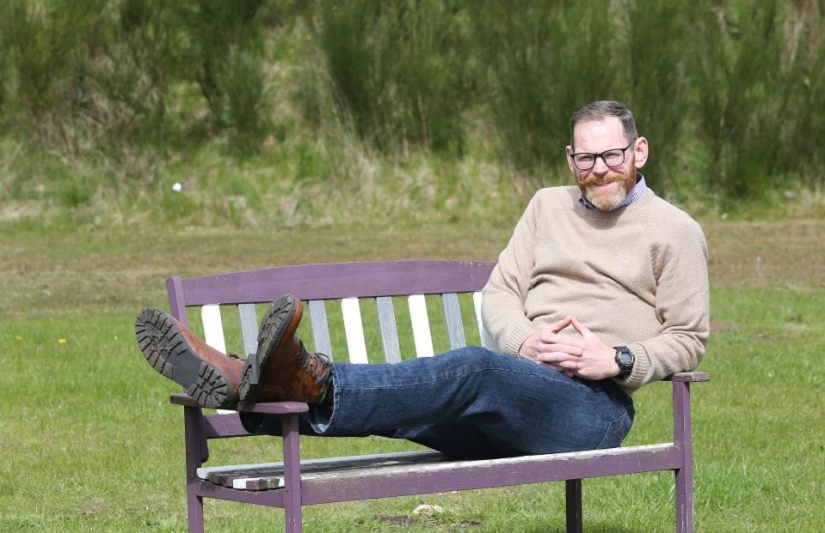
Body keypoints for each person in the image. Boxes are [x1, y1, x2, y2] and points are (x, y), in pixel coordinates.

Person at [135, 100, 709, 460]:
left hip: (590, 411)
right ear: (570, 159)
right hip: (512, 393)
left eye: (609, 156)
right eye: (585, 160)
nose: (598, 170)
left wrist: (618, 360)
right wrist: (523, 342)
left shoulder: (674, 230)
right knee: (423, 405)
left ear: (638, 151)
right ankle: (261, 394)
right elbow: (501, 292)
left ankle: (279, 379)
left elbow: (688, 337)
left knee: (472, 369)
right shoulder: (546, 206)